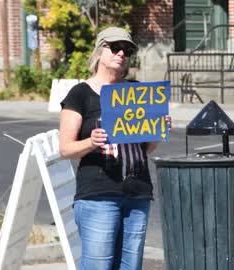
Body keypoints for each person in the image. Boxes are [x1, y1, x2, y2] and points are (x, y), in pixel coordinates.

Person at [59, 27, 171, 270]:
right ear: (100, 51)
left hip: (137, 191)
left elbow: (147, 148)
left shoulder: (137, 92)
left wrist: (158, 129)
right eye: (115, 47)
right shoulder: (81, 94)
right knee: (99, 265)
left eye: (127, 50)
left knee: (130, 266)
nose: (121, 53)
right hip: (98, 193)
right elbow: (65, 148)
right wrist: (91, 141)